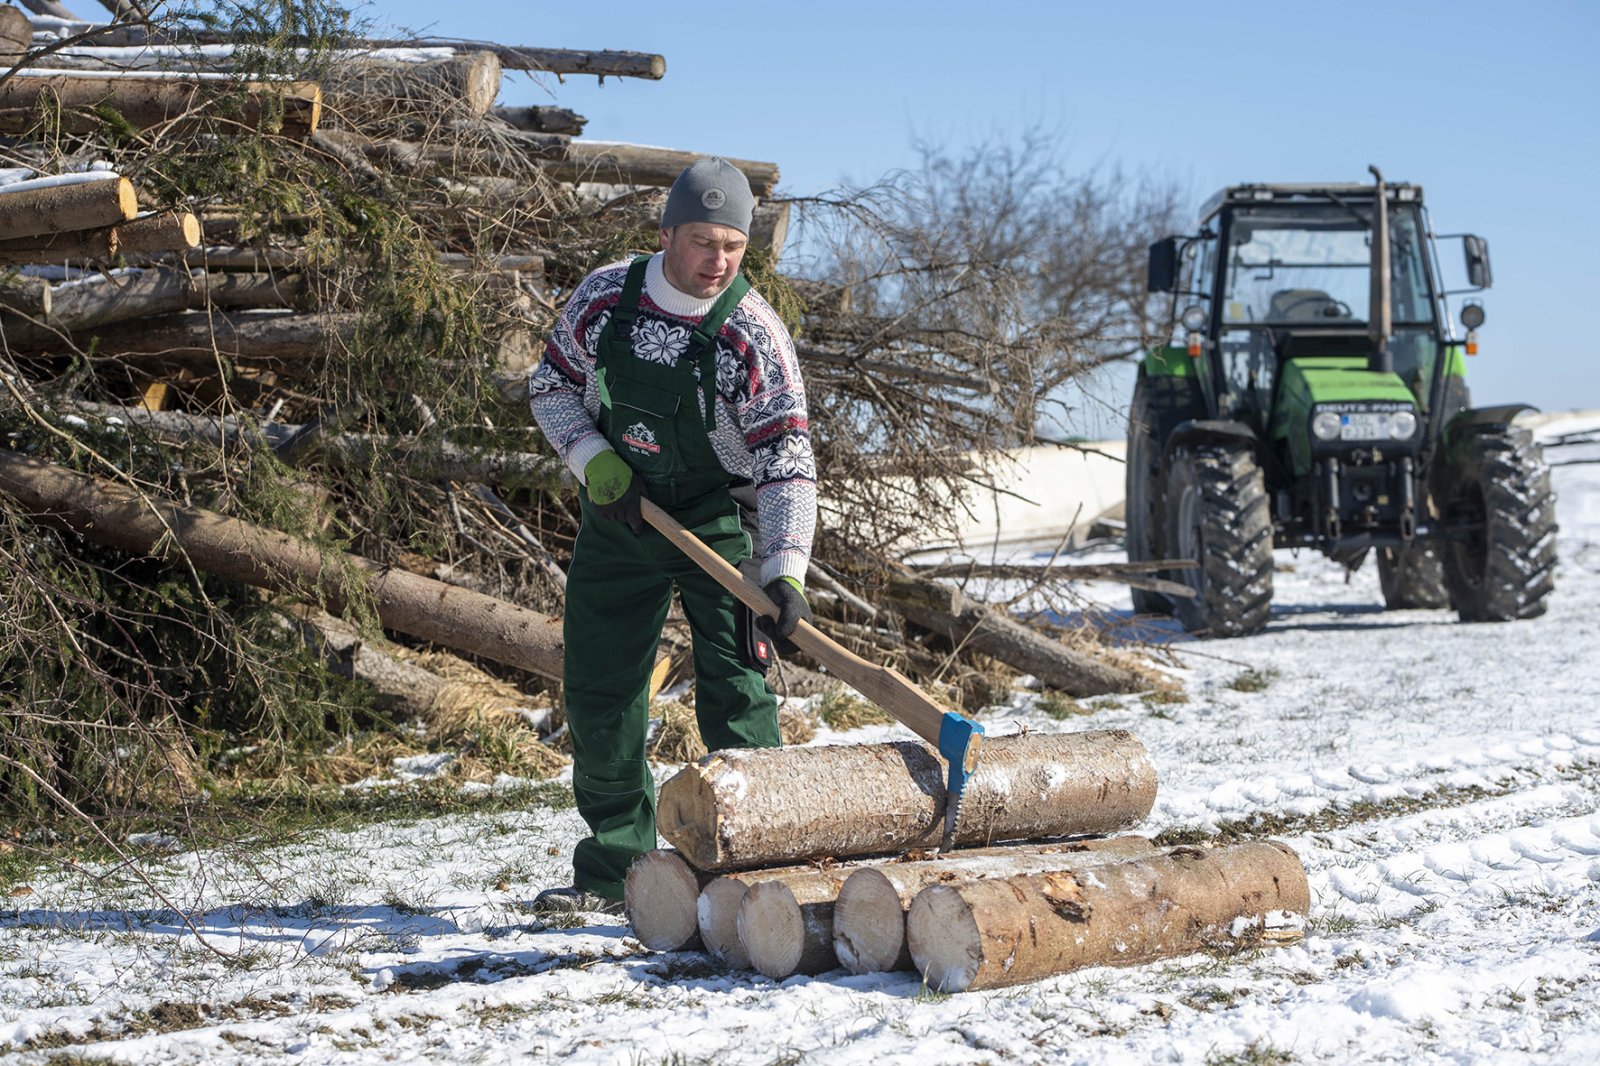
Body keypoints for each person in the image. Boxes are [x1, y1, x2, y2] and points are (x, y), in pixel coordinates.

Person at [527, 158, 818, 914]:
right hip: (618, 515)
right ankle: (615, 868)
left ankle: (757, 866)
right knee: (601, 689)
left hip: (712, 518)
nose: (717, 261)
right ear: (665, 235)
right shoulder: (605, 299)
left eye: (732, 246)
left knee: (737, 688)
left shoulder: (753, 334)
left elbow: (787, 458)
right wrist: (594, 461)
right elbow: (551, 385)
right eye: (701, 241)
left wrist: (785, 570)